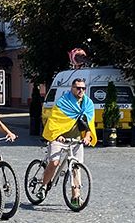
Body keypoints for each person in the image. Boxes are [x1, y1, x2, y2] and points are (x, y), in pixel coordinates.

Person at [37, 76, 95, 208]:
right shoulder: (63, 102)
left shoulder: (88, 104)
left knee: (76, 167)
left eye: (83, 88)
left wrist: (87, 137)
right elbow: (54, 121)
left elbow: (89, 125)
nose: (81, 90)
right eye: (78, 88)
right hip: (59, 137)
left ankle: (76, 196)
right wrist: (58, 135)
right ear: (72, 88)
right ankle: (43, 186)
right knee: (54, 162)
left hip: (75, 139)